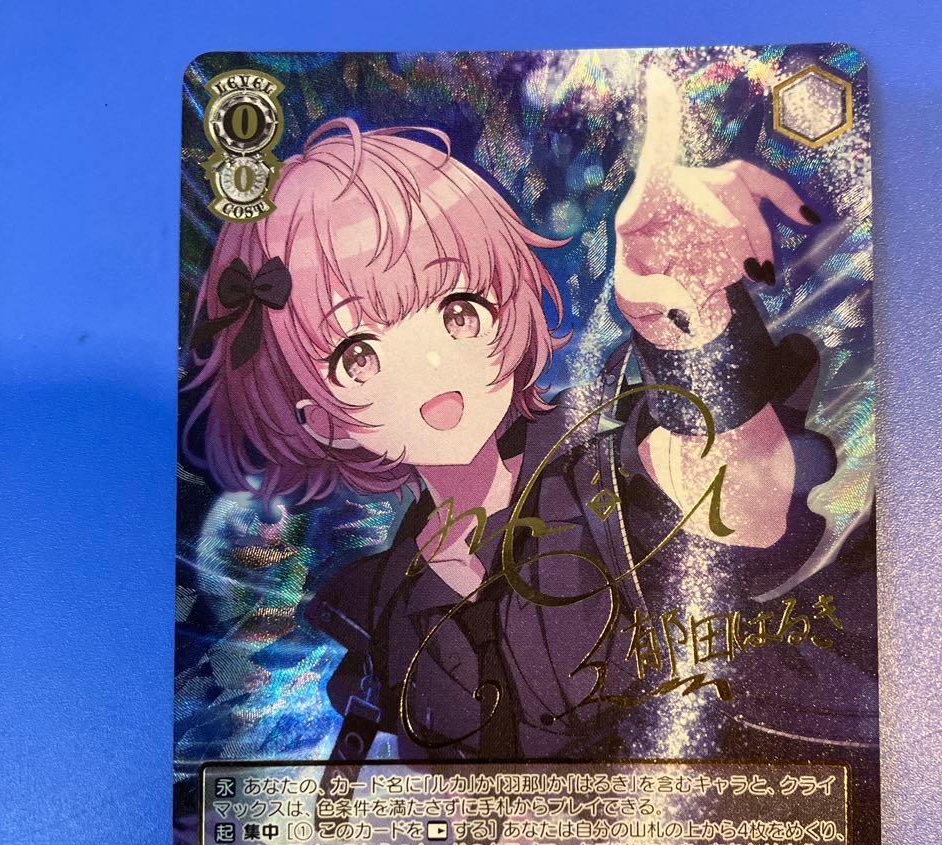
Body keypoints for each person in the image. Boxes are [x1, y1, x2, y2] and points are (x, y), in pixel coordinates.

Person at [184, 71, 875, 772]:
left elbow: (745, 500)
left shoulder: (594, 463)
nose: (432, 364)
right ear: (324, 421)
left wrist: (686, 321)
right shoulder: (384, 605)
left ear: (509, 306)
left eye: (458, 311)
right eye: (359, 356)